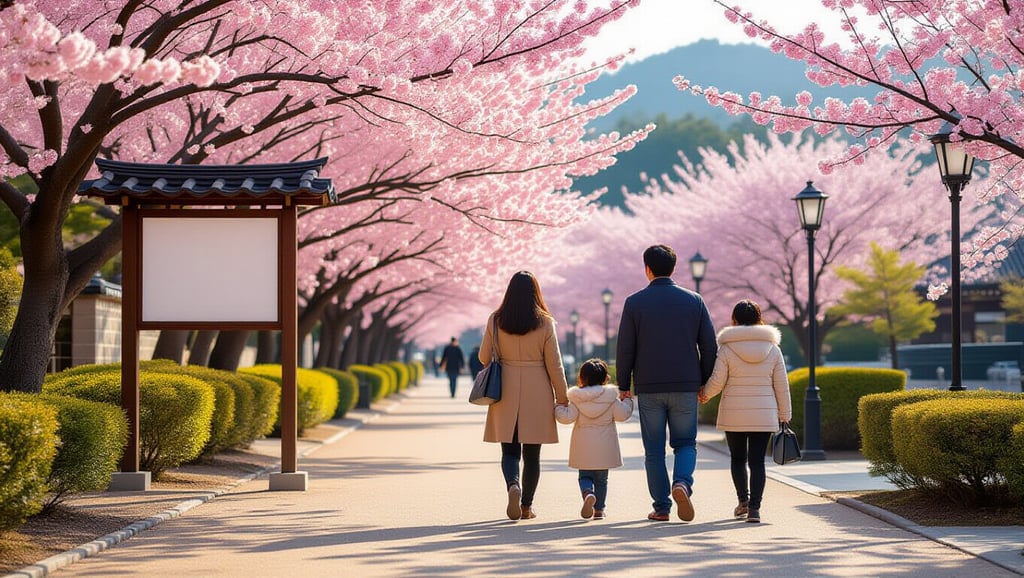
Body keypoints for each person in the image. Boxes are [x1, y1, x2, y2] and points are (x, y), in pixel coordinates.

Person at [616, 244, 717, 523]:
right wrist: (704, 380)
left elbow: (625, 348)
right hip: (686, 384)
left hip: (649, 386)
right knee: (685, 443)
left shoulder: (634, 303)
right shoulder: (694, 300)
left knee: (654, 450)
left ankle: (661, 507)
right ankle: (682, 482)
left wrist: (624, 384)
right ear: (674, 268)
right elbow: (709, 346)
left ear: (647, 269)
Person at [480, 271, 569, 521]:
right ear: (535, 293)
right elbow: (555, 364)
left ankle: (513, 485)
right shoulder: (545, 322)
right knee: (532, 456)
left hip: (505, 389)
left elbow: (484, 357)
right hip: (537, 389)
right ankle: (527, 507)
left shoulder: (496, 320)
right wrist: (562, 397)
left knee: (509, 451)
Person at [699, 299, 792, 524]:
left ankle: (743, 501)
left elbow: (718, 380)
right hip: (764, 414)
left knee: (738, 459)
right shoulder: (773, 349)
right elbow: (782, 385)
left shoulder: (727, 348)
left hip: (735, 413)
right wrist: (785, 414)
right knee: (757, 462)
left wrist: (705, 394)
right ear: (759, 319)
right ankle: (755, 509)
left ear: (734, 320)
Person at [556, 358, 634, 520]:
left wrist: (558, 407)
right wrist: (627, 400)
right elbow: (623, 414)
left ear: (582, 378)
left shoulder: (577, 399)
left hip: (583, 447)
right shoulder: (610, 398)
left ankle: (588, 494)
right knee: (602, 480)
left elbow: (566, 417)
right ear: (605, 378)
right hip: (605, 447)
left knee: (585, 476)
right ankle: (599, 510)